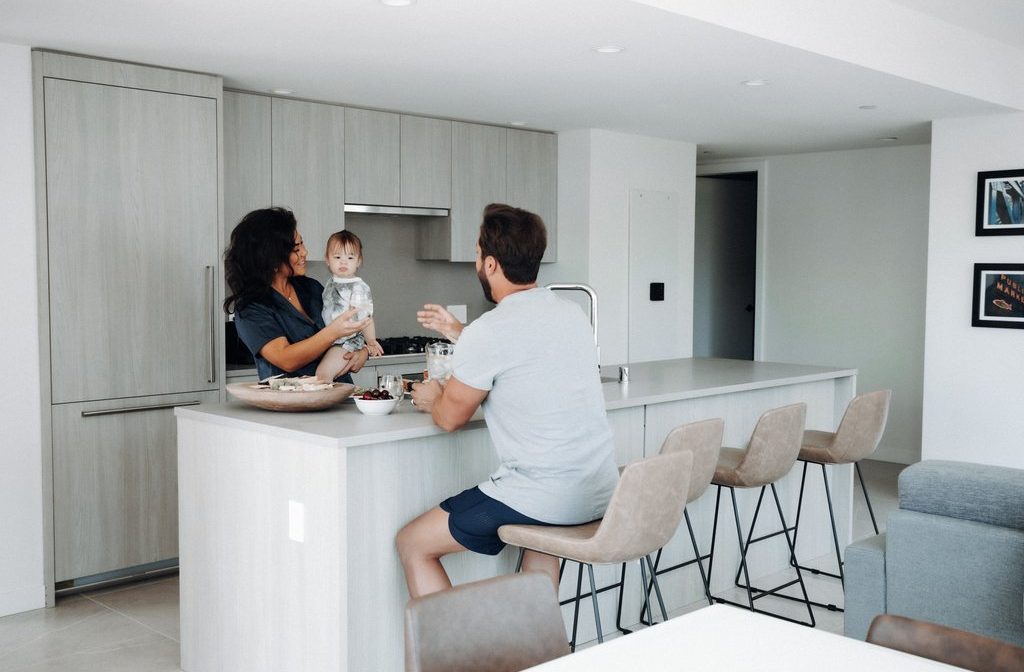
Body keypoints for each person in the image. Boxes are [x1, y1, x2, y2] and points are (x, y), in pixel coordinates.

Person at [395, 203, 618, 598]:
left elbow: (449, 419)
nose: (476, 262)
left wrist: (433, 397)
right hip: (600, 492)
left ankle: (456, 659)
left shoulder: (491, 330)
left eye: (478, 254)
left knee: (413, 543)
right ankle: (537, 653)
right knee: (541, 541)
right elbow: (526, 357)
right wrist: (462, 333)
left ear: (492, 264)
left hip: (546, 497)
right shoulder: (572, 314)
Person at [223, 207, 370, 383]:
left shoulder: (311, 288)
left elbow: (349, 331)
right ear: (271, 256)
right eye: (296, 248)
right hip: (291, 405)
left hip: (339, 399)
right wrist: (332, 333)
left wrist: (363, 352)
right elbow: (286, 359)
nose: (305, 253)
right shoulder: (251, 308)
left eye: (302, 244)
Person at [315, 230, 384, 383]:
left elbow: (365, 318)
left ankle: (322, 403)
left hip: (347, 342)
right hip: (331, 340)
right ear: (327, 259)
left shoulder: (358, 287)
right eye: (337, 257)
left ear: (359, 261)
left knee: (322, 374)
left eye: (350, 257)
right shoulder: (331, 282)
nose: (343, 262)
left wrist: (371, 341)